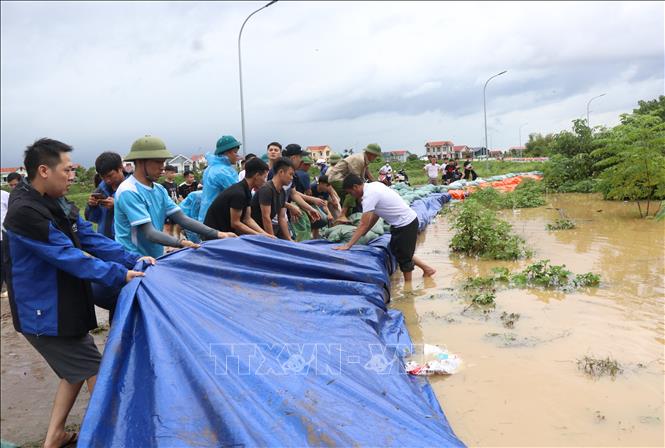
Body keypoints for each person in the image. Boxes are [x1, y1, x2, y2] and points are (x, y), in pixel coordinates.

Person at [2, 138, 155, 448]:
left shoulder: (57, 201)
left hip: (62, 305)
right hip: (44, 312)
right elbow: (68, 256)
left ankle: (55, 436)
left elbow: (90, 238)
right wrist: (120, 275)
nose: (72, 176)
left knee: (74, 372)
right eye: (67, 169)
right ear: (44, 170)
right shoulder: (24, 212)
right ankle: (114, 437)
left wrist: (133, 260)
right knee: (96, 371)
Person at [114, 135, 236, 258]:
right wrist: (181, 243)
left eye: (163, 162)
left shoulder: (159, 190)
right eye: (157, 162)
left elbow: (182, 219)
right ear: (140, 161)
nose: (162, 167)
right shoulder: (129, 191)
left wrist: (219, 234)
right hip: (133, 258)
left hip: (154, 256)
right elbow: (149, 233)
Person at [333, 174, 436, 281]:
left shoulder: (369, 196)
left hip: (406, 224)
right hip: (400, 224)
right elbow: (376, 215)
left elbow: (363, 223)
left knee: (405, 258)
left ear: (355, 187)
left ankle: (408, 290)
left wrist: (348, 245)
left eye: (350, 192)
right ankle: (427, 269)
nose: (352, 195)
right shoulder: (374, 185)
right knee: (398, 251)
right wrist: (366, 231)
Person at [204, 158, 275, 237]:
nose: (265, 181)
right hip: (214, 236)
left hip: (227, 234)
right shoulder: (239, 194)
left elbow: (247, 219)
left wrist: (265, 234)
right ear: (257, 175)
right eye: (264, 177)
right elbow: (235, 223)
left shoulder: (246, 191)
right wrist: (260, 235)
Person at [327, 143, 381, 214]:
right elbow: (355, 179)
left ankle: (352, 212)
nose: (375, 158)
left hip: (342, 179)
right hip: (336, 179)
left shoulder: (364, 160)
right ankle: (344, 214)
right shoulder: (359, 159)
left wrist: (376, 185)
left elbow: (367, 175)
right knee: (354, 190)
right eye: (375, 156)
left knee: (358, 190)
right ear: (371, 154)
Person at [84, 152, 128, 239]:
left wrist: (117, 206)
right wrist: (92, 206)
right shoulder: (101, 189)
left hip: (126, 242)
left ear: (120, 168)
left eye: (110, 176)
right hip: (105, 241)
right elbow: (92, 219)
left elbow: (141, 218)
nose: (107, 180)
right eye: (103, 177)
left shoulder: (132, 188)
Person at [198, 135, 243, 222]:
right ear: (227, 153)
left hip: (207, 216)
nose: (237, 155)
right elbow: (238, 193)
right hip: (216, 218)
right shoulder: (222, 171)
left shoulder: (211, 168)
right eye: (235, 152)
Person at [251, 157, 293, 241]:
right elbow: (266, 217)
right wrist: (272, 240)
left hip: (265, 232)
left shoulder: (283, 192)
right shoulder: (267, 189)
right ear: (281, 172)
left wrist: (289, 239)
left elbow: (281, 217)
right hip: (255, 232)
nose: (292, 178)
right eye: (290, 174)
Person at [1, 172, 21, 297]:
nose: (13, 187)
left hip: (5, 236)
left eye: (15, 184)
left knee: (6, 263)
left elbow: (14, 211)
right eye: (11, 185)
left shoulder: (4, 195)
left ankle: (10, 288)